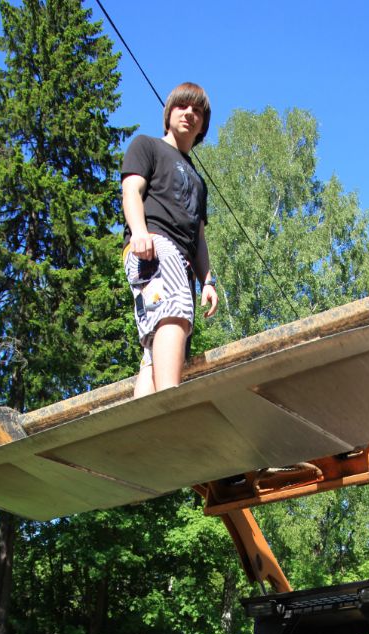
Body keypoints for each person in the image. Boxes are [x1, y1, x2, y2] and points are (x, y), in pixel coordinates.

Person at [121, 82, 218, 398]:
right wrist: (139, 232)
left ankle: (146, 418)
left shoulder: (199, 182)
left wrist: (207, 282)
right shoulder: (147, 146)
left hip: (183, 262)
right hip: (154, 246)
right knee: (176, 312)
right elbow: (131, 190)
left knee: (156, 343)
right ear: (168, 113)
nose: (189, 113)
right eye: (182, 106)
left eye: (197, 111)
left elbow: (198, 236)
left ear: (202, 126)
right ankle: (169, 402)